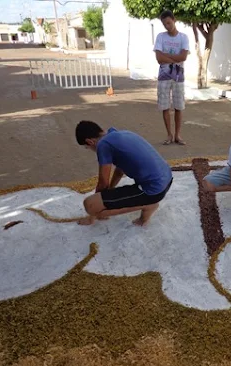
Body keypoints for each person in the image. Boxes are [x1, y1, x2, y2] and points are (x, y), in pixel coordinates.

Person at [75, 120, 173, 226]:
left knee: (90, 205)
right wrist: (108, 193)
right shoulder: (120, 134)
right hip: (167, 181)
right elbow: (119, 171)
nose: (90, 149)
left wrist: (93, 213)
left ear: (90, 142)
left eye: (87, 147)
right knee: (99, 201)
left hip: (153, 190)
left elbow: (103, 183)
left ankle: (149, 205)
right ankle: (148, 202)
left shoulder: (103, 144)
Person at [153, 9, 190, 146]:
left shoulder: (183, 38)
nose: (167, 26)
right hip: (164, 76)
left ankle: (177, 135)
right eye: (164, 24)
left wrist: (166, 57)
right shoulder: (160, 37)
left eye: (169, 23)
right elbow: (158, 58)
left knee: (179, 106)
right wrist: (175, 58)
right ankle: (169, 135)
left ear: (174, 20)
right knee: (165, 106)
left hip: (178, 76)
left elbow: (183, 57)